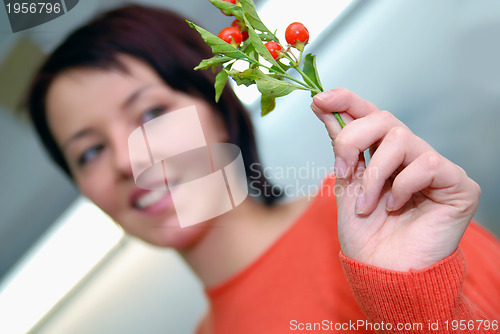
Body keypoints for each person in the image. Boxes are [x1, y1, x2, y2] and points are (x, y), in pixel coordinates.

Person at [27, 4, 500, 334]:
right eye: (89, 152)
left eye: (151, 114)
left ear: (219, 110)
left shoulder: (387, 221)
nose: (129, 160)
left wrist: (414, 298)